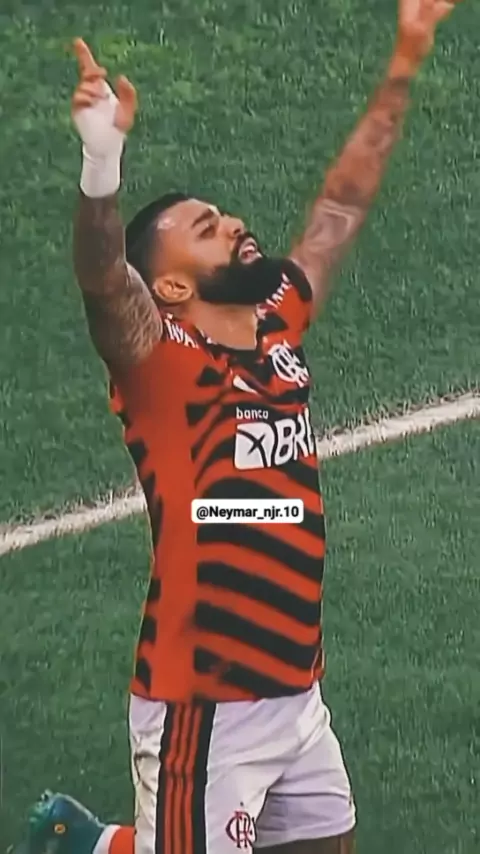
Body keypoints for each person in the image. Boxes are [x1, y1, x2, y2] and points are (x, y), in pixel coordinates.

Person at [13, 1, 460, 852]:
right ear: (173, 288)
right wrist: (101, 163)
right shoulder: (160, 364)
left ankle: (94, 842)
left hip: (297, 690)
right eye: (208, 230)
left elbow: (338, 210)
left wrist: (405, 61)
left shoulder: (276, 324)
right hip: (205, 705)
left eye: (226, 216)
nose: (235, 226)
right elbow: (104, 278)